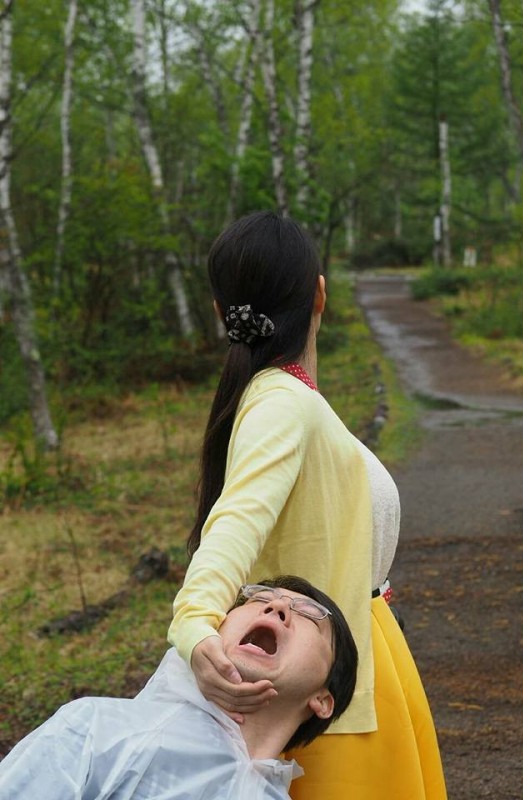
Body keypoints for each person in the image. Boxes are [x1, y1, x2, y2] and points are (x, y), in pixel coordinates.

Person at [168, 210, 447, 799]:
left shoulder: (285, 400)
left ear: (222, 312)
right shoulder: (281, 405)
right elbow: (233, 525)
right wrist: (194, 626)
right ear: (320, 294)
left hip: (352, 671)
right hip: (325, 703)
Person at [0, 576, 358, 800]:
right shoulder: (97, 730)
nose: (277, 606)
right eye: (258, 598)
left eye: (310, 614)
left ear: (323, 700)